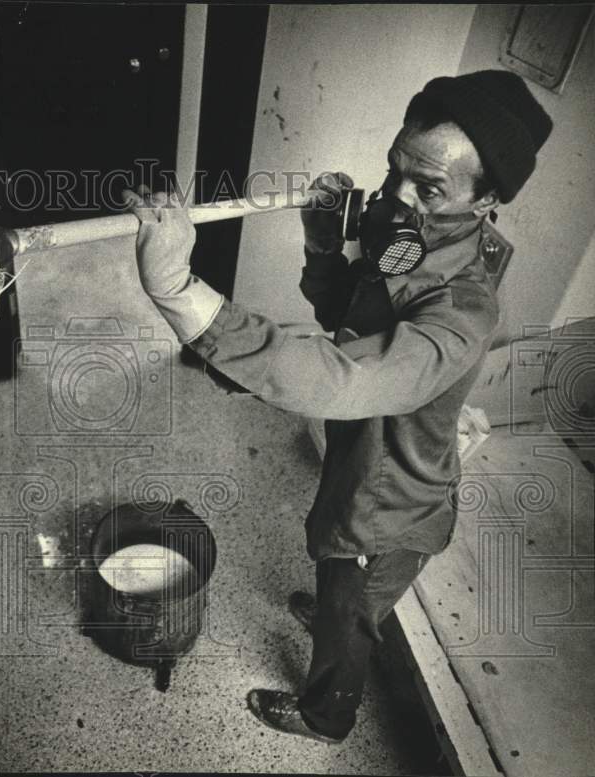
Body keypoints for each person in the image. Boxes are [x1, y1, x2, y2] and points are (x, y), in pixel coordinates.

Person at [123, 69, 552, 745]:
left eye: (428, 186)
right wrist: (324, 246)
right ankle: (334, 608)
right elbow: (347, 317)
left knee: (351, 613)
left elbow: (340, 375)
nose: (395, 195)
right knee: (337, 585)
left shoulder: (464, 308)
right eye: (394, 168)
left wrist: (180, 292)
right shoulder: (417, 238)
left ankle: (326, 714)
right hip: (362, 463)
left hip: (389, 509)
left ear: (486, 196)